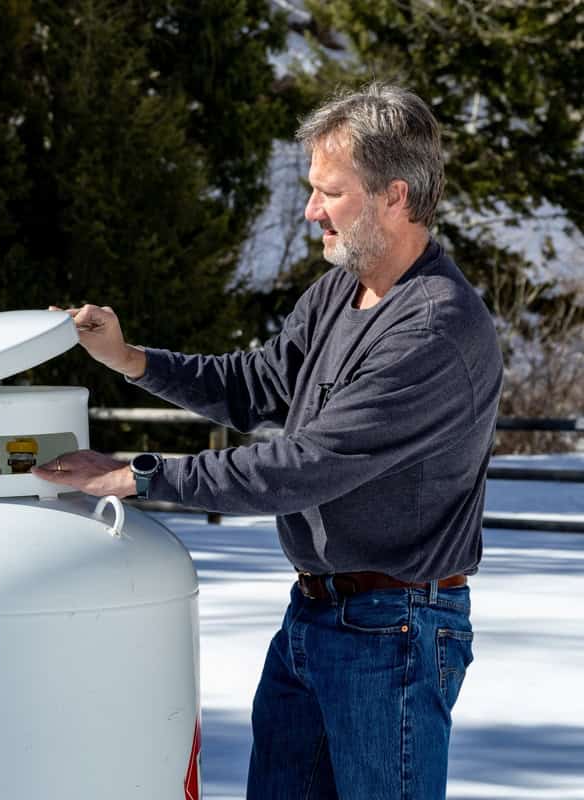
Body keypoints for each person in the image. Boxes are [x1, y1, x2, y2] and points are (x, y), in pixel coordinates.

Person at [32, 83, 503, 800]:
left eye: (330, 192)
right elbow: (256, 386)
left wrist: (136, 475)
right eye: (312, 190)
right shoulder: (341, 291)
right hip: (314, 616)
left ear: (395, 197)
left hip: (394, 633)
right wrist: (131, 360)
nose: (312, 210)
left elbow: (306, 466)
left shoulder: (434, 328)